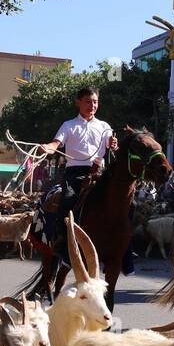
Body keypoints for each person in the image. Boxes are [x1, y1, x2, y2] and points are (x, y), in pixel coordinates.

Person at [38, 85, 118, 244]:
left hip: (99, 172)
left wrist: (114, 144)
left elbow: (112, 144)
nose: (93, 105)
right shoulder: (68, 125)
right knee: (67, 198)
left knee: (126, 201)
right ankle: (61, 236)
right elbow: (56, 143)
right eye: (88, 101)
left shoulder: (104, 126)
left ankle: (123, 239)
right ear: (78, 102)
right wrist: (48, 147)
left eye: (95, 102)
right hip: (75, 173)